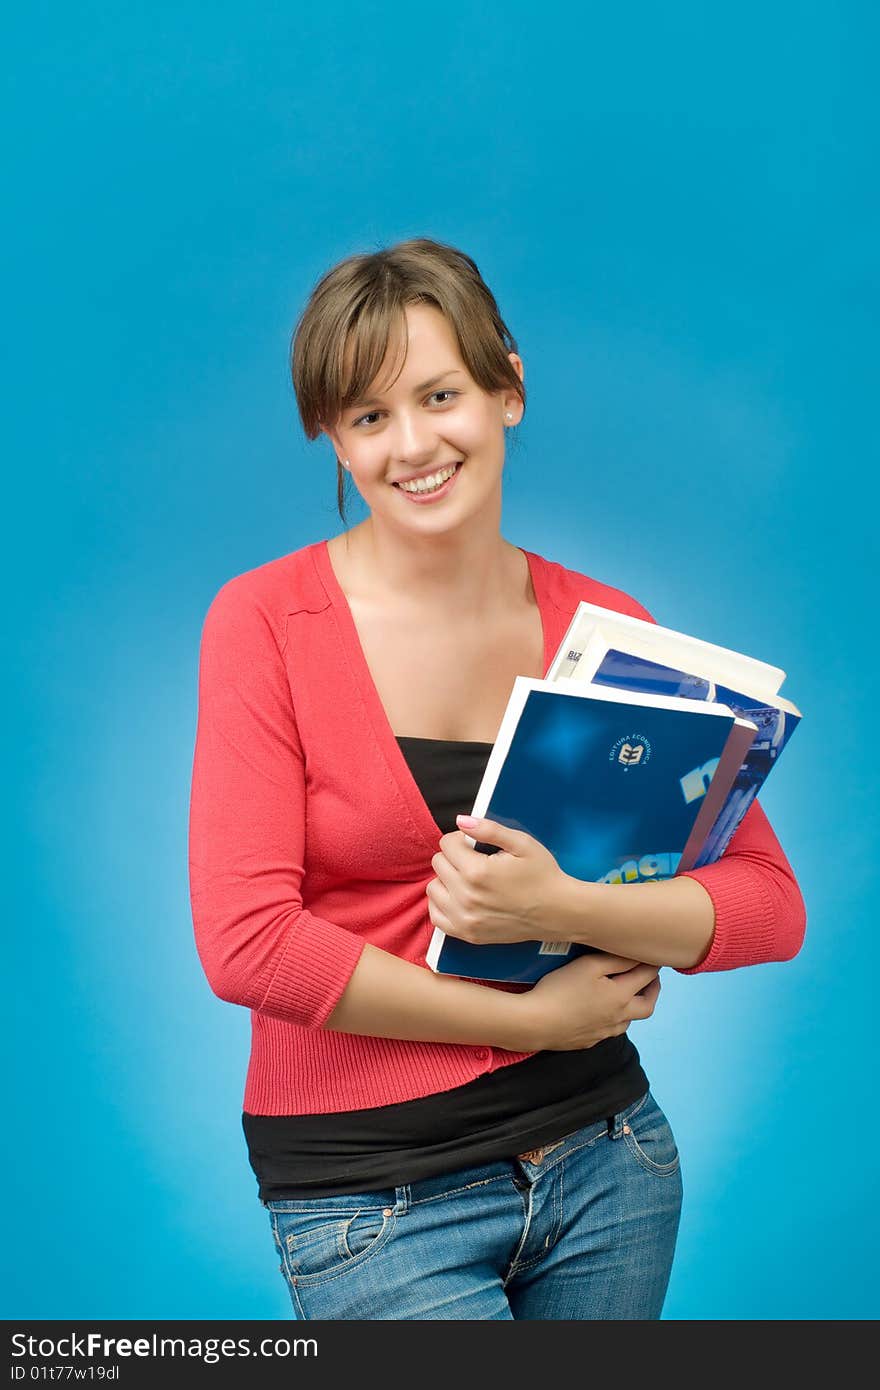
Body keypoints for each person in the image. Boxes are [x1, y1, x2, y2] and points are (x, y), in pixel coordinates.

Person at [188, 237, 806, 1321]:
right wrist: (528, 1020)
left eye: (440, 395)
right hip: (370, 1197)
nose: (414, 444)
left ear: (506, 389)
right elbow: (247, 940)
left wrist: (554, 906)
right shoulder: (266, 623)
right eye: (369, 416)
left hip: (607, 1161)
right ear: (328, 435)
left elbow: (769, 906)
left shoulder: (609, 633)